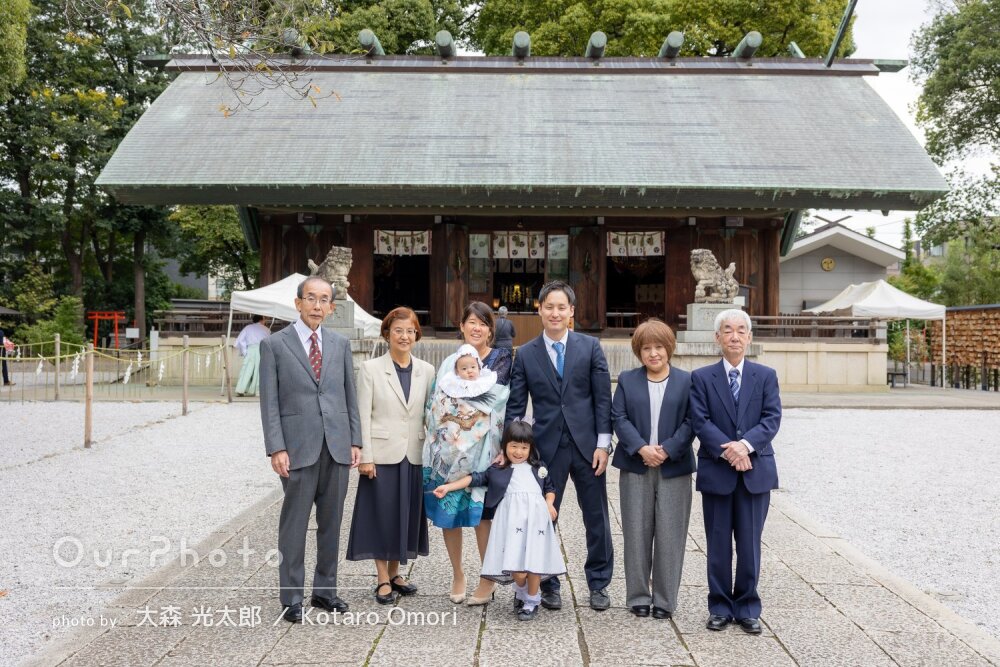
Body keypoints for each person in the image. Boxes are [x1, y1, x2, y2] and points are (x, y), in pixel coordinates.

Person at [506, 280, 614, 612]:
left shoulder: (590, 346)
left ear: (571, 312)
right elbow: (516, 408)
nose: (555, 313)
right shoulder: (525, 354)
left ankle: (598, 583)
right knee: (543, 519)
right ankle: (548, 583)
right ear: (539, 310)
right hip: (545, 448)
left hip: (587, 447)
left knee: (596, 517)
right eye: (549, 307)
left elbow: (602, 398)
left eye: (561, 307)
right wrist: (514, 450)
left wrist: (604, 444)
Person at [258, 277, 362, 623]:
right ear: (298, 302)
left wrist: (355, 440)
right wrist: (276, 447)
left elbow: (349, 397)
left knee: (331, 523)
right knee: (294, 525)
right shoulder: (275, 345)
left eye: (324, 300)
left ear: (332, 307)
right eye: (311, 299)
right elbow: (269, 402)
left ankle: (325, 591)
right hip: (297, 448)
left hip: (336, 447)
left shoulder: (339, 344)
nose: (317, 306)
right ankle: (291, 597)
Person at [689, 309, 781, 635]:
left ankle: (747, 606)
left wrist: (745, 446)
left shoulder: (765, 375)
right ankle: (719, 606)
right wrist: (731, 451)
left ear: (750, 337)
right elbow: (700, 421)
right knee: (717, 544)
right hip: (718, 470)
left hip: (755, 471)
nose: (734, 336)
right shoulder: (701, 378)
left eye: (741, 330)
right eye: (727, 330)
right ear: (717, 338)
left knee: (749, 543)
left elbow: (771, 419)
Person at [433, 419, 564, 621]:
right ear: (505, 447)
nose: (519, 452)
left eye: (524, 447)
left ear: (530, 448)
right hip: (513, 525)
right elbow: (475, 478)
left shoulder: (538, 468)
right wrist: (448, 487)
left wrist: (549, 503)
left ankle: (531, 600)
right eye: (514, 446)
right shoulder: (500, 470)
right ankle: (521, 590)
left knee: (534, 562)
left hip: (536, 523)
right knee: (517, 570)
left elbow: (550, 488)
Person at [347, 307, 433, 604]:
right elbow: (362, 415)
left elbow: (429, 415)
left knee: (404, 515)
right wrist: (365, 456)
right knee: (381, 515)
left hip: (414, 453)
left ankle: (397, 574)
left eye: (410, 331)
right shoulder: (371, 369)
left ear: (417, 335)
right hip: (381, 454)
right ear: (387, 334)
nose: (405, 336)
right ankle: (382, 577)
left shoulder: (427, 370)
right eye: (398, 330)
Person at [611, 319, 694, 620]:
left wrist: (668, 449)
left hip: (675, 466)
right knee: (636, 531)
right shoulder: (628, 379)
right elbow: (618, 417)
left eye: (659, 347)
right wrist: (641, 448)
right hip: (636, 465)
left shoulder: (687, 381)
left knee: (671, 533)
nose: (654, 353)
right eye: (647, 348)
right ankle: (637, 596)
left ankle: (665, 599)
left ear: (669, 348)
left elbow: (692, 421)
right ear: (639, 352)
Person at [423, 343, 509, 605]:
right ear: (462, 325)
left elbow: (500, 408)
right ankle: (457, 574)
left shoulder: (496, 369)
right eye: (471, 322)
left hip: (482, 457)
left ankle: (488, 577)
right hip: (450, 458)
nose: (476, 328)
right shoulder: (448, 367)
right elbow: (436, 407)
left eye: (482, 324)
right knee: (450, 517)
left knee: (483, 517)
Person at [234, 315, 270, 396]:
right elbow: (269, 342)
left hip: (250, 350)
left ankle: (241, 389)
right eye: (264, 319)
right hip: (261, 350)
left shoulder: (248, 328)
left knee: (246, 370)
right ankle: (257, 391)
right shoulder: (266, 329)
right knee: (259, 371)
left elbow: (240, 340)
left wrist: (244, 351)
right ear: (261, 320)